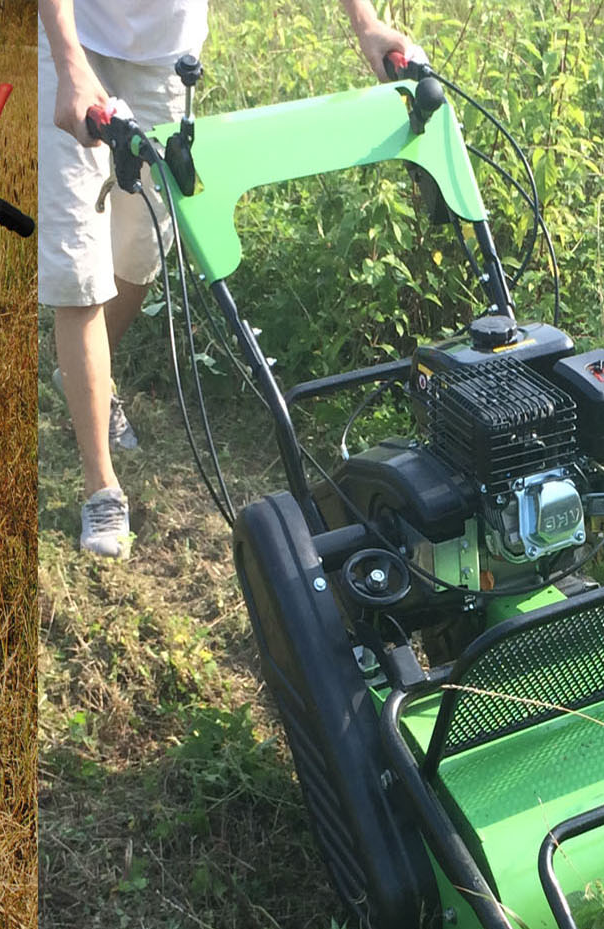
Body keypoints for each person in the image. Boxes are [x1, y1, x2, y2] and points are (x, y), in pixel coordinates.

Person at [39, 0, 420, 559]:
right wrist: (69, 60)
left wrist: (365, 25)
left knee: (142, 248)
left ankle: (84, 377)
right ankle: (102, 486)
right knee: (80, 266)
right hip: (75, 40)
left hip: (167, 57)